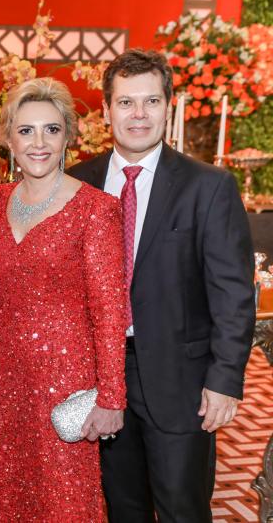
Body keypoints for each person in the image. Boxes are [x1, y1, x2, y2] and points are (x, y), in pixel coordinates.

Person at [70, 49, 256, 522]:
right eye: (126, 102)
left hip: (181, 383)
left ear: (167, 107)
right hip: (97, 380)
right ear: (106, 110)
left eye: (151, 101)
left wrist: (224, 380)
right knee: (121, 509)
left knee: (182, 510)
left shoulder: (208, 186)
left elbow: (233, 295)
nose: (139, 114)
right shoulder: (76, 184)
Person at [0, 77, 128, 521]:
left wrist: (111, 397)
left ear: (67, 138)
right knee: (1, 495)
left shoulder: (96, 209)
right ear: (8, 140)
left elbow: (109, 310)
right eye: (26, 130)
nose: (39, 143)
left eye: (51, 130)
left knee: (62, 498)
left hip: (64, 380)